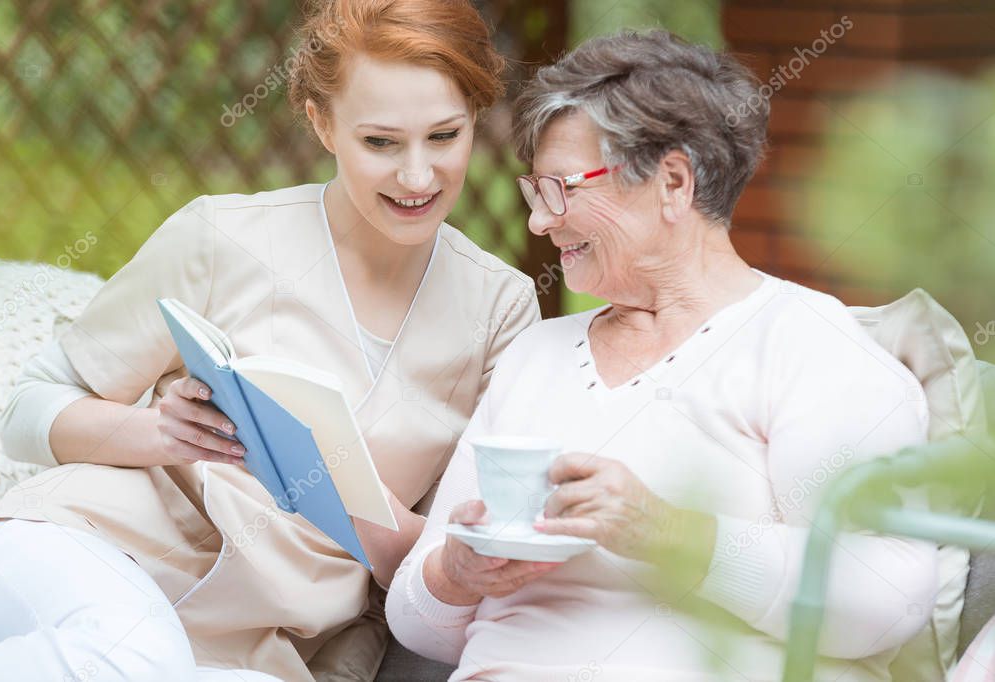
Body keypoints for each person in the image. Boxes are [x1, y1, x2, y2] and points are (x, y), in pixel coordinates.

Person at [0, 1, 539, 680]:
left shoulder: (501, 309)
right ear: (320, 123)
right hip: (85, 550)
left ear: (476, 118)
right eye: (380, 143)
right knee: (129, 657)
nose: (417, 177)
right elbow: (26, 410)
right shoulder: (221, 237)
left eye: (444, 136)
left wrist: (349, 496)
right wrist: (158, 434)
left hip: (258, 648)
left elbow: (450, 565)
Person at [386, 30, 939, 681]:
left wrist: (673, 535)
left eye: (561, 189)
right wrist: (456, 572)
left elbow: (887, 598)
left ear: (672, 182)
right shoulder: (535, 355)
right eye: (536, 193)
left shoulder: (810, 349)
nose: (539, 222)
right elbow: (417, 625)